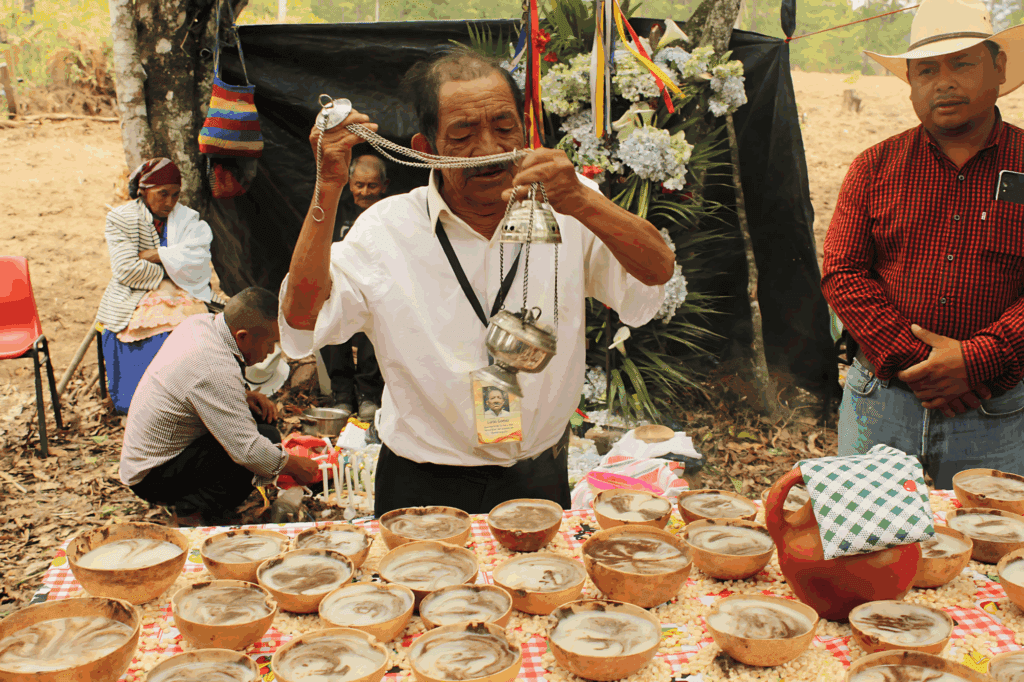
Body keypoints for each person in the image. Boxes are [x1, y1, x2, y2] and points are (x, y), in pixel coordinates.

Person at [279, 46, 674, 515]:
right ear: (425, 150)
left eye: (505, 128)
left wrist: (585, 204)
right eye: (463, 134)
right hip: (420, 481)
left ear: (525, 132)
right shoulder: (384, 231)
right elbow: (302, 317)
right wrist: (328, 185)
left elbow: (656, 272)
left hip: (538, 476)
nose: (489, 149)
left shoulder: (568, 203)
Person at [822, 0, 1024, 489]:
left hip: (997, 409)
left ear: (998, 67)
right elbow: (842, 274)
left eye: (962, 63)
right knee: (866, 548)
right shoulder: (874, 166)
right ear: (911, 83)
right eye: (927, 70)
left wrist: (977, 360)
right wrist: (922, 364)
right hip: (882, 401)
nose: (944, 81)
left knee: (991, 548)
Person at [119, 287, 319, 525]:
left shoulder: (202, 324)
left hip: (156, 456)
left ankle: (205, 501)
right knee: (259, 446)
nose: (271, 351)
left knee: (262, 427)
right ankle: (191, 512)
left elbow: (194, 384)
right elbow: (248, 451)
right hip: (152, 476)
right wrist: (294, 465)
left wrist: (243, 395)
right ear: (243, 336)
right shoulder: (214, 369)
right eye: (270, 342)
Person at [95, 158, 213, 414]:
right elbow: (126, 270)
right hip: (133, 295)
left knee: (197, 332)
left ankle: (188, 407)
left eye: (175, 195)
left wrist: (156, 254)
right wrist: (174, 265)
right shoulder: (122, 218)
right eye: (162, 194)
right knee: (152, 333)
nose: (169, 202)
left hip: (183, 291)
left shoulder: (186, 218)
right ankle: (144, 408)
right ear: (144, 190)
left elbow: (199, 263)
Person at [321, 155, 388, 420]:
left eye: (372, 186)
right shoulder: (336, 210)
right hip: (340, 284)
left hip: (376, 284)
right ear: (349, 183)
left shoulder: (389, 213)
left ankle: (369, 393)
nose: (364, 191)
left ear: (384, 185)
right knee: (329, 318)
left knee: (381, 318)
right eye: (359, 184)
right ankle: (342, 394)